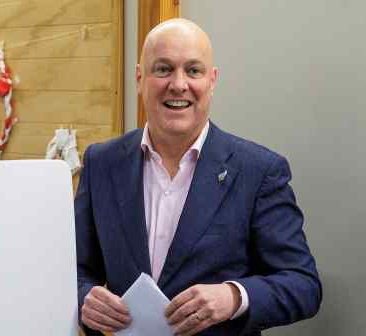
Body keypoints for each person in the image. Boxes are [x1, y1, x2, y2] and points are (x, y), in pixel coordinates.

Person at [75, 18, 322, 336]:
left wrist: (234, 296)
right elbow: (74, 271)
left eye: (193, 71)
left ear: (212, 80)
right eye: (163, 69)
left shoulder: (258, 171)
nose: (178, 84)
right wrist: (84, 297)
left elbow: (303, 284)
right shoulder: (101, 163)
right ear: (140, 78)